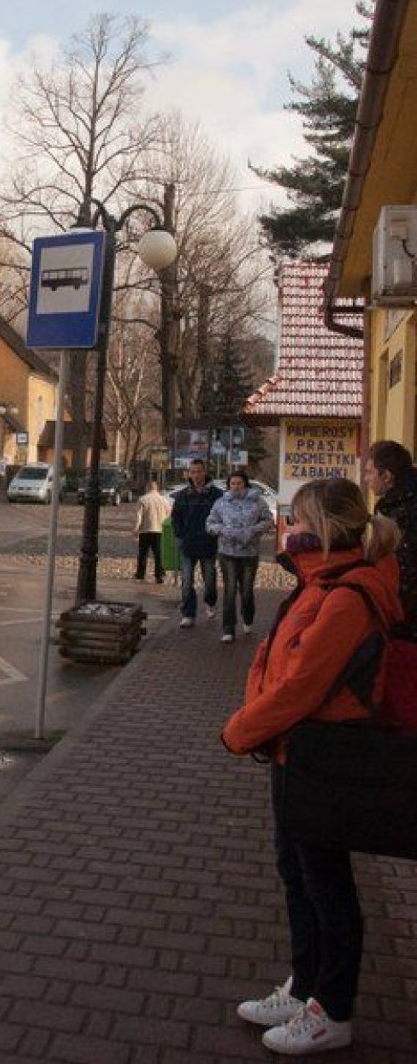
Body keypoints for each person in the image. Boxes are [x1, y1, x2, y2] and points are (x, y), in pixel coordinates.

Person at [221, 477, 402, 1056]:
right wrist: (261, 722)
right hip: (292, 748)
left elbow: (304, 683)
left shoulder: (347, 594)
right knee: (296, 869)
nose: (288, 529)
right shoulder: (317, 581)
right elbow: (280, 663)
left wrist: (242, 728)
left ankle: (333, 1008)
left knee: (324, 880)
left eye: (296, 520)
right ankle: (307, 985)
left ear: (322, 529)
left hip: (321, 752)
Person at [206, 469, 273, 642]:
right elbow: (210, 523)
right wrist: (222, 530)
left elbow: (268, 520)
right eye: (232, 483)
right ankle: (228, 629)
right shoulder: (221, 503)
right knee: (229, 591)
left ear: (245, 484)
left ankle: (248, 618)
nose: (236, 486)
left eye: (239, 483)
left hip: (249, 553)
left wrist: (253, 531)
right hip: (227, 552)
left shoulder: (257, 502)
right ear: (228, 485)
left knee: (247, 590)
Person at [364, 439, 417, 635]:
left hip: (404, 618)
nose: (365, 479)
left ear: (386, 476)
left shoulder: (395, 513)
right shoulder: (398, 504)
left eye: (369, 472)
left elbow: (399, 570)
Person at [170, 458, 221, 627]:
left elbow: (222, 515)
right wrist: (180, 533)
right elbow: (175, 517)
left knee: (210, 579)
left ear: (205, 472)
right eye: (192, 472)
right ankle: (188, 613)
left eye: (199, 471)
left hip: (208, 543)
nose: (196, 475)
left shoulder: (216, 494)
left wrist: (216, 533)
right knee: (186, 581)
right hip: (188, 544)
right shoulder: (183, 495)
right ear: (188, 474)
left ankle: (210, 602)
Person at [134, 479, 172, 583]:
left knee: (142, 554)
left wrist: (136, 530)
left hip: (145, 530)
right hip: (160, 530)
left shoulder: (142, 499)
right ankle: (159, 575)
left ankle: (140, 575)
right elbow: (169, 515)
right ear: (157, 488)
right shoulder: (164, 500)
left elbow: (139, 516)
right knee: (159, 554)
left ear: (148, 488)